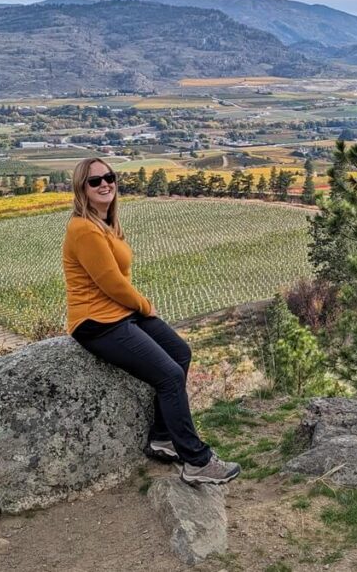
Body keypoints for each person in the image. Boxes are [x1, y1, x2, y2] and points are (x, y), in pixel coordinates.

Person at [62, 157, 240, 486]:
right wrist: (145, 306)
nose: (104, 184)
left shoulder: (105, 223)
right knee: (169, 376)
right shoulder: (84, 229)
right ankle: (196, 460)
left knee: (180, 352)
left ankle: (162, 436)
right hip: (96, 322)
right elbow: (111, 283)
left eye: (109, 177)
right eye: (94, 181)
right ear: (81, 190)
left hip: (119, 313)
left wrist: (138, 309)